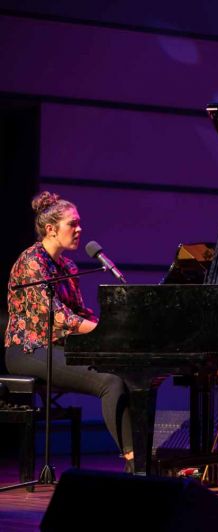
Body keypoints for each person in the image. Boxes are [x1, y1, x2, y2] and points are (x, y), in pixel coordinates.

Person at [4, 191, 134, 472]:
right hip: (28, 350)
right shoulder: (31, 261)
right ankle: (134, 462)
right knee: (109, 382)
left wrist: (117, 328)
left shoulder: (67, 266)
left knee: (129, 374)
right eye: (72, 224)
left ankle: (148, 455)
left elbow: (80, 313)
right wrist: (104, 332)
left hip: (57, 347)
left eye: (79, 223)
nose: (79, 229)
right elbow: (59, 316)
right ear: (51, 229)